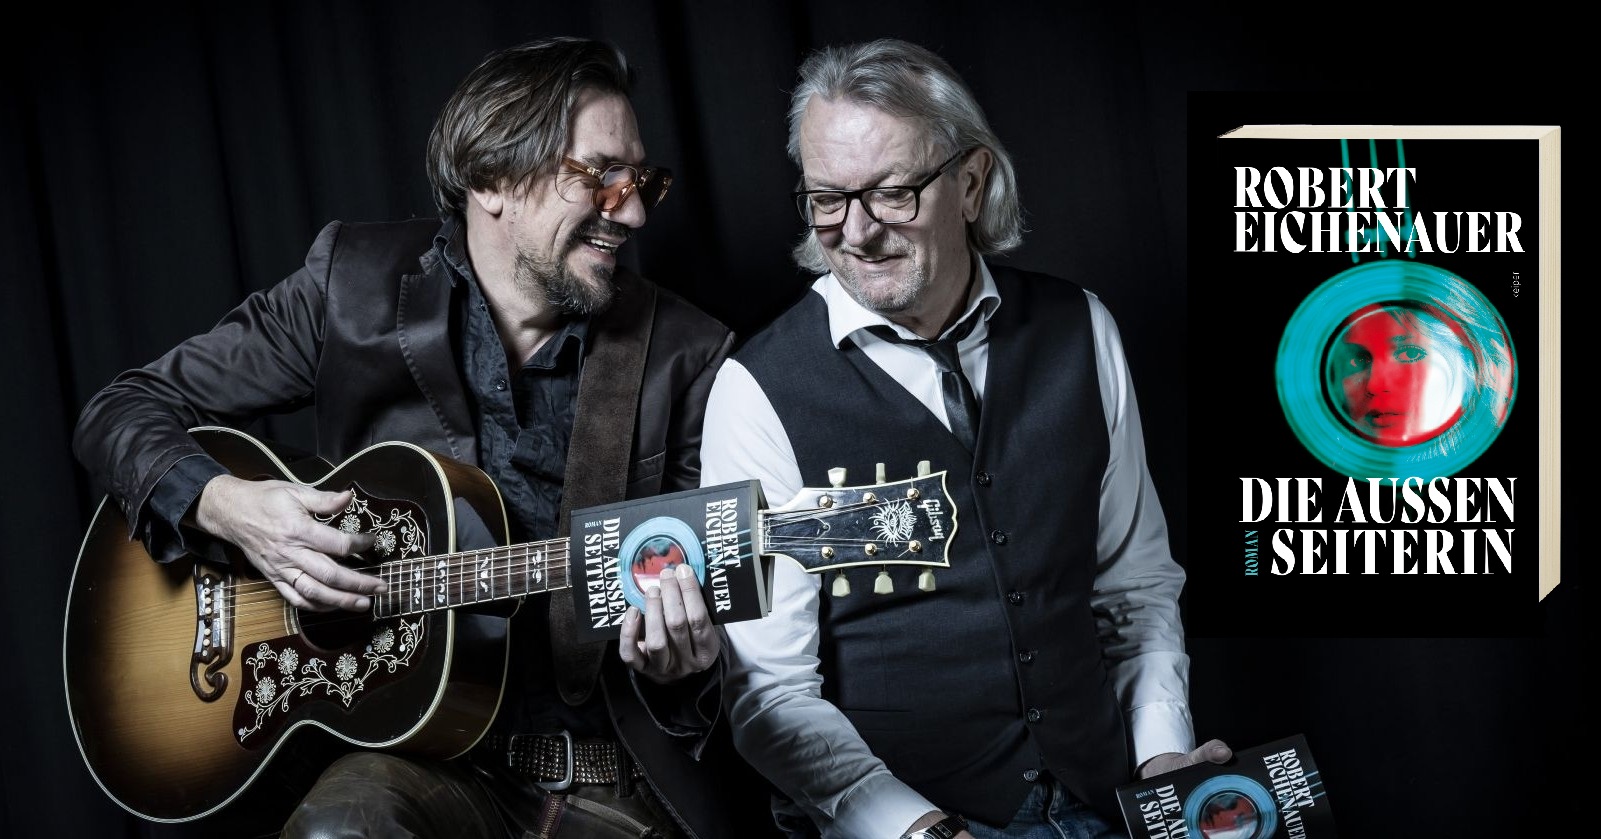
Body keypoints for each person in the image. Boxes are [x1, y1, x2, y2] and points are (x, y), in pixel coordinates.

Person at [73, 36, 770, 838]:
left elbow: (703, 662)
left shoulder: (685, 354)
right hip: (417, 763)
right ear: (492, 178)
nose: (635, 209)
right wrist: (225, 504)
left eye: (640, 180)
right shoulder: (350, 286)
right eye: (599, 176)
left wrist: (684, 664)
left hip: (603, 780)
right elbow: (120, 409)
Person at [700, 39, 1230, 838]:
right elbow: (770, 692)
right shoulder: (755, 392)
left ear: (971, 181)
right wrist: (915, 828)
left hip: (1106, 797)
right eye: (826, 199)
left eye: (891, 193)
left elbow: (1135, 585)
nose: (858, 232)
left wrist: (1161, 756)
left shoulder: (1079, 328)